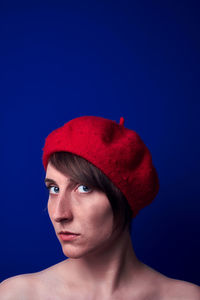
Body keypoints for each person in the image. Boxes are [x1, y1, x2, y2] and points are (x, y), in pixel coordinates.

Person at [0, 115, 199, 300]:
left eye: (84, 188)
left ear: (124, 197)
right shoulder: (17, 295)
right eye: (54, 188)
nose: (60, 214)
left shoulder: (186, 297)